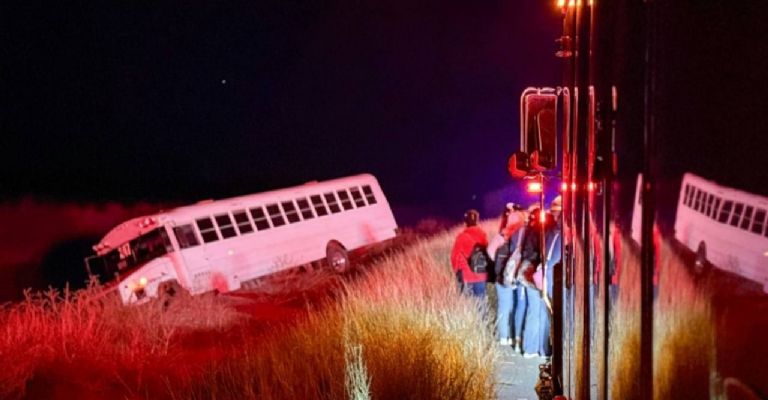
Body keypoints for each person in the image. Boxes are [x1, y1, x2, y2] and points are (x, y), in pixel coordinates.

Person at [492, 203, 527, 347]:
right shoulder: (523, 233)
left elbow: (490, 252)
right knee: (516, 306)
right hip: (516, 275)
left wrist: (501, 263)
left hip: (501, 275)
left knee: (503, 307)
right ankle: (514, 336)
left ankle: (503, 337)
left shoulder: (502, 234)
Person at [450, 209, 489, 298]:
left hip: (466, 276)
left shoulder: (461, 237)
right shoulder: (483, 236)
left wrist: (457, 272)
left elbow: (454, 258)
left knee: (468, 306)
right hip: (481, 274)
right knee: (481, 303)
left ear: (465, 222)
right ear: (477, 221)